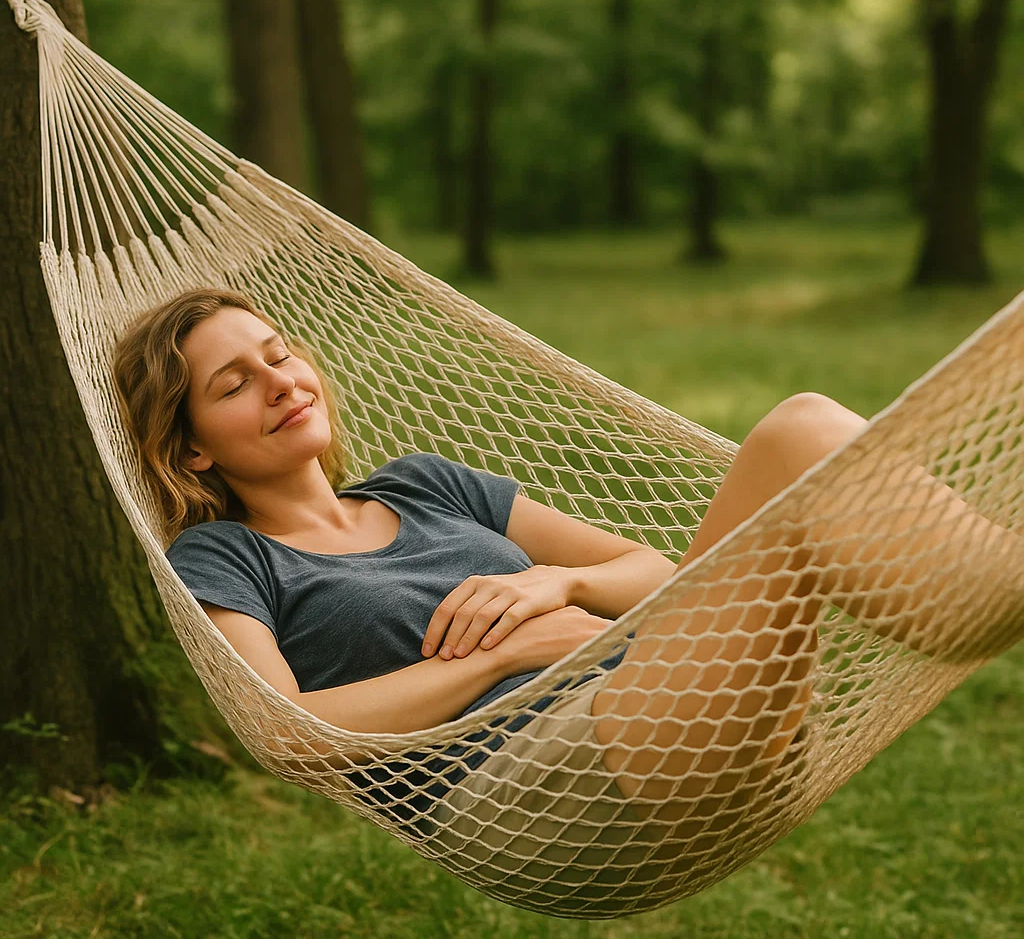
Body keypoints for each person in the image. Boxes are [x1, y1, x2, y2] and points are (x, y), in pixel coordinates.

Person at [112, 287, 1021, 850]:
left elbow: (651, 574)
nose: (280, 382)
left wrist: (559, 582)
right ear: (191, 451)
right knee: (796, 437)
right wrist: (496, 659)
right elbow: (290, 734)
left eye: (280, 355)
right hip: (534, 795)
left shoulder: (427, 484)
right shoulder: (227, 555)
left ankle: (1001, 588)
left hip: (677, 719)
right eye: (233, 385)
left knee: (806, 433)